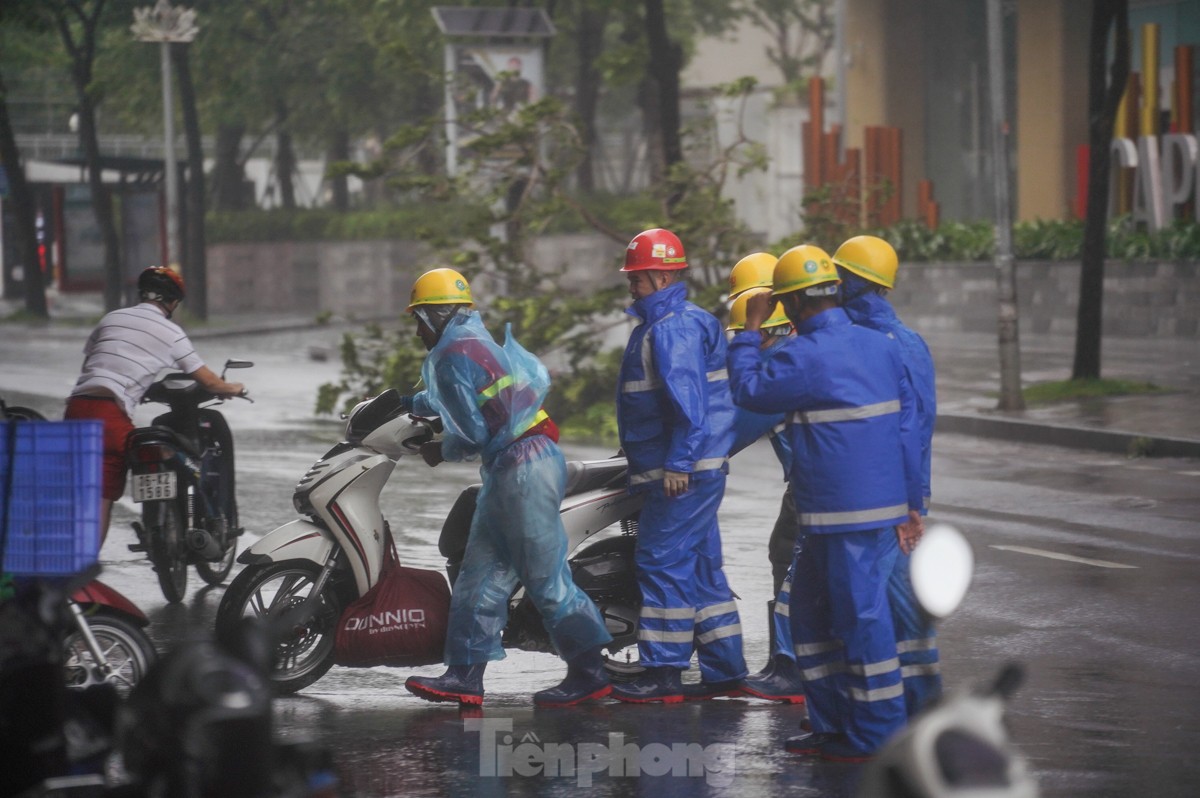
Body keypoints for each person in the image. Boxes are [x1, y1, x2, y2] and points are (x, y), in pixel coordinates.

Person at [727, 244, 924, 762]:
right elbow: (906, 430)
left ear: (789, 305)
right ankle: (832, 723)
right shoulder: (879, 347)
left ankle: (878, 734)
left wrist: (750, 328)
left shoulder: (801, 355)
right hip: (840, 514)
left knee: (861, 620)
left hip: (842, 515)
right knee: (811, 618)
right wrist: (913, 501)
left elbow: (748, 390)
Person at [400, 268, 614, 708]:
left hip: (524, 470)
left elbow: (471, 432)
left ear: (436, 315)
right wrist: (407, 402)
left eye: (419, 318)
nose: (417, 329)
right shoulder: (475, 344)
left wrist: (439, 450)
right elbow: (463, 396)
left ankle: (591, 671)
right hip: (510, 470)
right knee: (477, 577)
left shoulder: (447, 355)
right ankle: (464, 675)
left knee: (545, 579)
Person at [610, 228, 746, 704]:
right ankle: (725, 669)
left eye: (639, 278)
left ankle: (664, 671)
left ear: (663, 274)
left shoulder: (672, 328)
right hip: (694, 468)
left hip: (682, 472)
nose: (632, 286)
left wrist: (678, 463)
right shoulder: (676, 322)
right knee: (702, 568)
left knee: (661, 561)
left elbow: (686, 402)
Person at [833, 235, 941, 715]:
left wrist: (909, 504)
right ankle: (917, 710)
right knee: (900, 609)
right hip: (897, 495)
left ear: (855, 283)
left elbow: (908, 431)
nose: (832, 286)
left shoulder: (878, 344)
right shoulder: (894, 340)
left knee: (874, 609)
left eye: (839, 277)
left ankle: (887, 715)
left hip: (887, 499)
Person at [64, 266, 245, 544]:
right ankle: (92, 564)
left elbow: (95, 364)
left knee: (79, 494)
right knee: (110, 493)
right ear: (172, 302)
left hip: (76, 409)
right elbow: (209, 381)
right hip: (111, 418)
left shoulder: (111, 318)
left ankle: (69, 566)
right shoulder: (170, 332)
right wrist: (234, 387)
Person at [725, 258, 806, 705]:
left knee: (798, 569)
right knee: (785, 552)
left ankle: (793, 667)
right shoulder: (808, 344)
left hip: (817, 486)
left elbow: (730, 430)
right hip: (825, 481)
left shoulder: (778, 363)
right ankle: (790, 661)